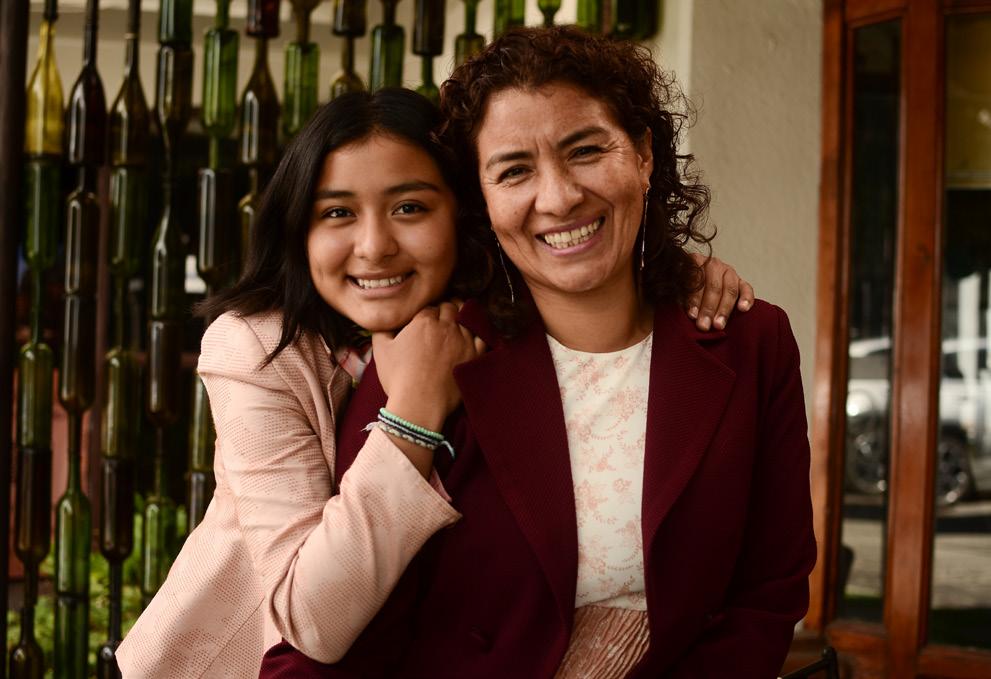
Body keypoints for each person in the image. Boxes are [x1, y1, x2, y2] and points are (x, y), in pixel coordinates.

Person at [114, 87, 751, 678]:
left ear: (465, 213)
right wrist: (414, 410)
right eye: (337, 212)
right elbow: (313, 620)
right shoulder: (256, 347)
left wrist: (670, 275)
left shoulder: (491, 316)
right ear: (298, 228)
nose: (374, 246)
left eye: (409, 207)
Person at [260, 26, 815, 679]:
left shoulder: (750, 343)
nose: (558, 197)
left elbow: (767, 591)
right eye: (514, 170)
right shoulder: (433, 357)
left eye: (586, 150)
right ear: (482, 200)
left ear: (643, 154)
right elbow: (348, 631)